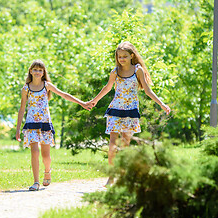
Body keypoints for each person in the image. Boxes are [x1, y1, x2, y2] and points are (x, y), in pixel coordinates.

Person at [89, 41, 171, 187]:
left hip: (131, 112)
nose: (121, 59)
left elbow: (147, 90)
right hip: (115, 110)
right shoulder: (115, 72)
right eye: (119, 56)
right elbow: (107, 88)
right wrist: (94, 101)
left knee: (125, 145)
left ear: (132, 56)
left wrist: (162, 104)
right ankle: (111, 176)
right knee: (112, 145)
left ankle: (123, 176)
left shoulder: (138, 70)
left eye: (124, 56)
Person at [16, 60, 92, 191]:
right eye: (35, 70)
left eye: (40, 70)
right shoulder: (26, 88)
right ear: (30, 71)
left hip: (45, 123)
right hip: (31, 123)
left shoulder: (47, 85)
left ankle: (47, 171)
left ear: (43, 72)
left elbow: (64, 95)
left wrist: (82, 103)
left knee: (45, 156)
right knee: (34, 152)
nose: (37, 72)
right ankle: (36, 182)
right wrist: (18, 129)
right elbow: (22, 108)